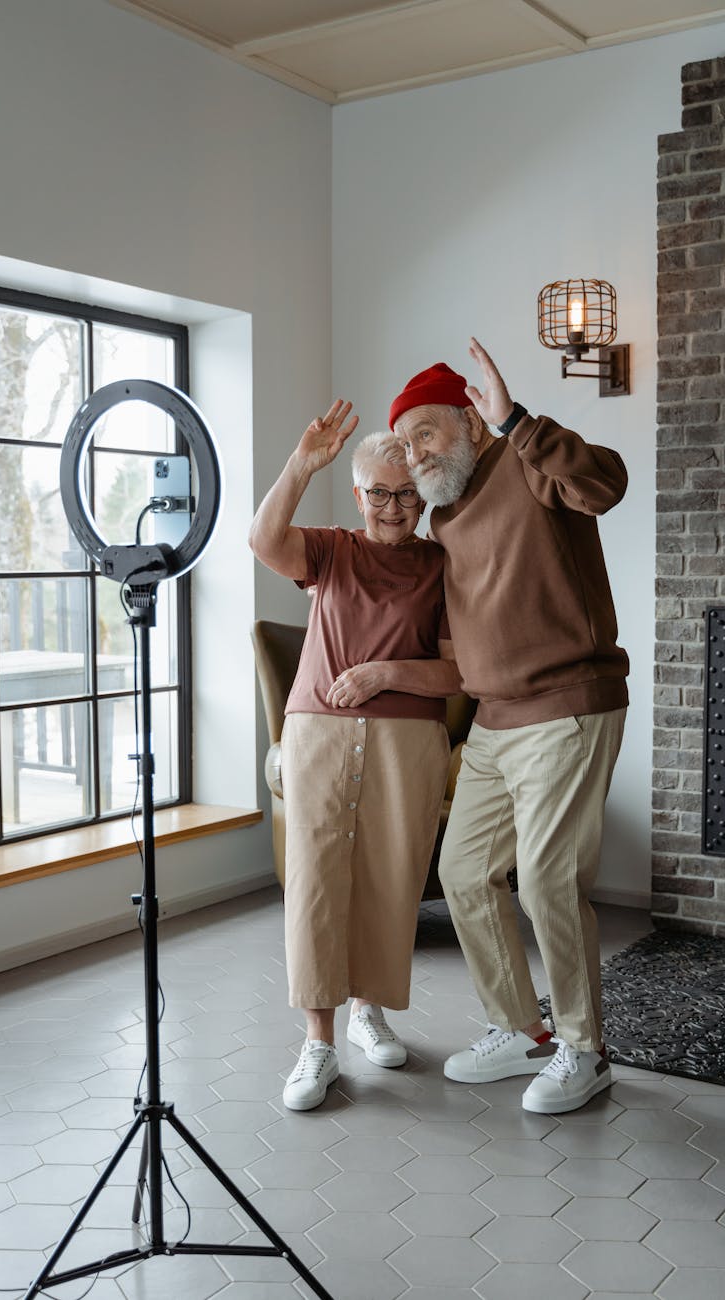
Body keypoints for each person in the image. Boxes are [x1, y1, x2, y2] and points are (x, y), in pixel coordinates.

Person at [389, 338, 629, 1115]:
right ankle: (519, 1028)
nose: (415, 452)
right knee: (462, 873)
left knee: (549, 878)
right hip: (492, 722)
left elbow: (604, 484)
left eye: (426, 432)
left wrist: (518, 418)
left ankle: (584, 1050)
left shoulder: (527, 461)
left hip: (567, 706)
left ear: (469, 420)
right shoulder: (442, 515)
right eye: (405, 443)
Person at [249, 400, 460, 1111]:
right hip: (319, 733)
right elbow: (261, 538)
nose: (392, 507)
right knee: (314, 878)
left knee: (389, 875)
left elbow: (457, 674)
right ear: (358, 492)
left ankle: (370, 1010)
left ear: (420, 494)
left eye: (404, 493)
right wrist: (301, 464)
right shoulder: (331, 550)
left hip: (408, 737)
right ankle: (317, 1042)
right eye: (378, 493)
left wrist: (385, 672)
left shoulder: (441, 565)